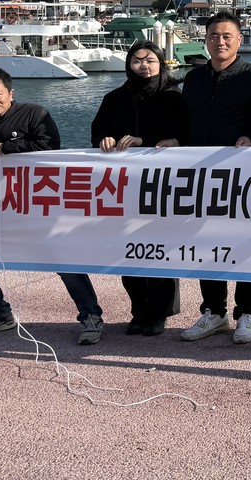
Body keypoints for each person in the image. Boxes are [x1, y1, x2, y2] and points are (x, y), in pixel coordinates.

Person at [0, 67, 105, 345]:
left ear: (11, 93)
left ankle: (91, 316)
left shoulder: (35, 114)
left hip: (42, 209)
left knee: (66, 263)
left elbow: (50, 146)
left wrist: (6, 148)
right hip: (4, 214)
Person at [179, 11, 251, 345]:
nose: (219, 41)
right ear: (205, 40)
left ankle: (247, 312)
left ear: (239, 40)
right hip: (200, 174)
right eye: (213, 36)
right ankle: (214, 311)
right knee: (206, 243)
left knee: (245, 242)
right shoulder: (194, 79)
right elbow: (183, 120)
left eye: (226, 36)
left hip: (244, 174)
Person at [91, 40, 190, 336]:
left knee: (159, 250)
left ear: (161, 64)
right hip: (125, 186)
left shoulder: (174, 96)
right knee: (129, 250)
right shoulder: (114, 98)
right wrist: (105, 139)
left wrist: (143, 140)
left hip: (163, 185)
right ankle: (139, 309)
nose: (143, 66)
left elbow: (185, 133)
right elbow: (98, 131)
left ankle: (159, 312)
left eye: (150, 60)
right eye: (137, 60)